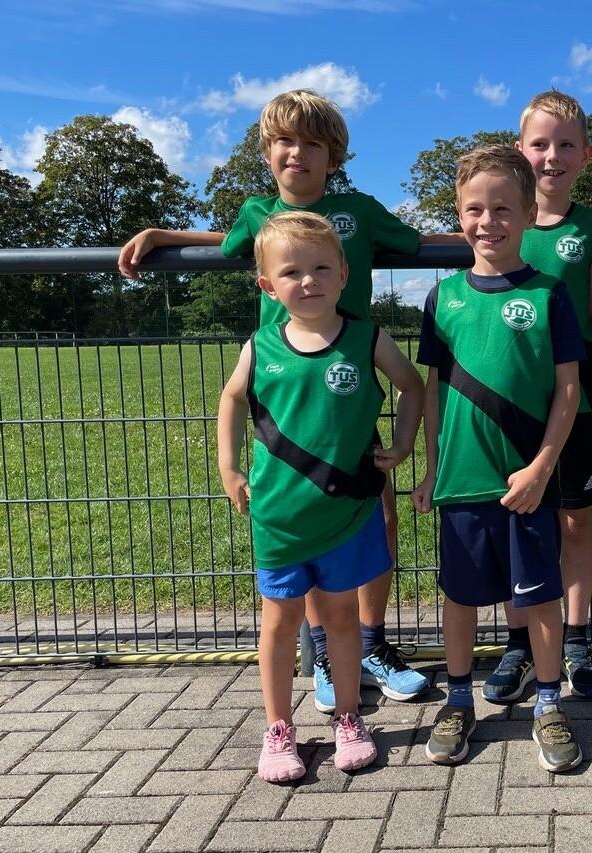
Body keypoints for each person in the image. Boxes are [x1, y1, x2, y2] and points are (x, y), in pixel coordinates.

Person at [120, 89, 438, 710]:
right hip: (287, 419)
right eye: (285, 142)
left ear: (333, 154)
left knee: (378, 516)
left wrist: (507, 233)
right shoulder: (256, 213)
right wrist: (161, 234)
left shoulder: (360, 211)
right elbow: (230, 240)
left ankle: (369, 642)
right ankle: (323, 653)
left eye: (312, 143)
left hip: (349, 400)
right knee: (302, 527)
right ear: (268, 152)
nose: (298, 154)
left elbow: (426, 241)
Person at [216, 210, 424, 782]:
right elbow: (231, 402)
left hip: (348, 511)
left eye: (320, 268)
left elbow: (412, 385)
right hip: (281, 517)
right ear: (267, 285)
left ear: (343, 273)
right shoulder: (259, 347)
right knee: (279, 622)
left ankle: (350, 719)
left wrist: (403, 442)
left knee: (339, 617)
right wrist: (229, 467)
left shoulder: (367, 337)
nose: (307, 281)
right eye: (291, 272)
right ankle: (279, 729)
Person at [412, 144, 584, 772]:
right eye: (474, 210)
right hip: (461, 482)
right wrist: (431, 467)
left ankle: (547, 705)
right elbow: (431, 391)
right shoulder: (443, 299)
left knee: (538, 600)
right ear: (459, 213)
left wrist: (541, 467)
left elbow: (568, 391)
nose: (488, 222)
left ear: (528, 209)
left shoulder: (549, 296)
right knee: (460, 599)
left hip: (526, 485)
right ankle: (458, 700)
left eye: (503, 209)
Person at [482, 90, 592, 704]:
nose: (551, 156)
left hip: (574, 398)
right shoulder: (499, 221)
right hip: (508, 405)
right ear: (520, 150)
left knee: (574, 519)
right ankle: (518, 643)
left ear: (585, 155)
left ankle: (578, 637)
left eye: (565, 145)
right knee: (517, 518)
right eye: (540, 144)